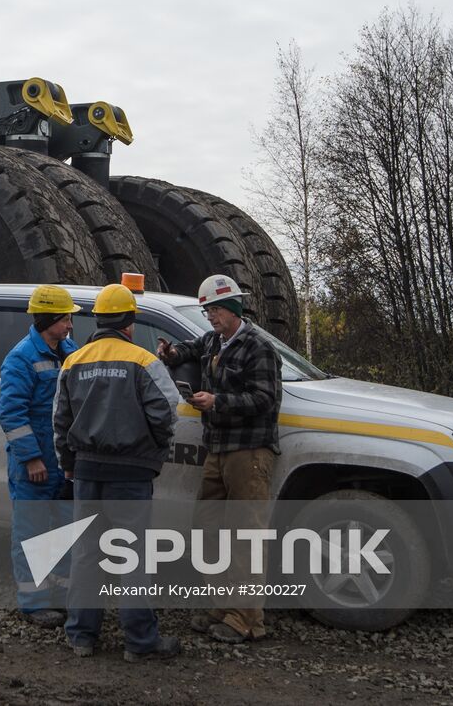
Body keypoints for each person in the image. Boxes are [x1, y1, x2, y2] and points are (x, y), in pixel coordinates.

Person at [54, 283, 181, 662]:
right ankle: (140, 643)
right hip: (132, 474)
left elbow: (59, 421)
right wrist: (153, 454)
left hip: (88, 471)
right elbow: (166, 413)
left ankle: (81, 637)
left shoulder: (74, 361)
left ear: (97, 321)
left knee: (86, 554)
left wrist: (69, 464)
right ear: (129, 322)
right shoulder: (144, 362)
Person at [158, 274, 283, 644]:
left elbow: (266, 399)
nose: (209, 316)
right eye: (206, 310)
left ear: (231, 309)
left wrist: (219, 402)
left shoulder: (258, 347)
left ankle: (246, 620)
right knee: (207, 529)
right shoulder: (214, 340)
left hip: (249, 453)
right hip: (218, 450)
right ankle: (221, 605)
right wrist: (171, 354)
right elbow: (190, 349)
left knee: (245, 536)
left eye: (213, 309)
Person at [0, 284, 80, 628]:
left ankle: (60, 596)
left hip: (62, 463)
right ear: (49, 320)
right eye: (65, 319)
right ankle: (33, 603)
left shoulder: (68, 350)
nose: (70, 326)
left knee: (62, 531)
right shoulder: (21, 358)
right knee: (32, 534)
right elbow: (11, 414)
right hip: (35, 465)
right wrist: (32, 458)